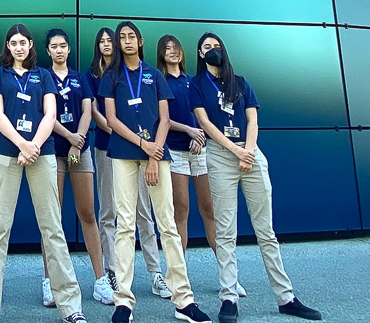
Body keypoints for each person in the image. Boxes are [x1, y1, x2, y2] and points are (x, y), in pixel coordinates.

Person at [190, 34, 321, 323]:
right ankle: (229, 298)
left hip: (251, 155)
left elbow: (252, 119)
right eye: (207, 48)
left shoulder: (241, 81)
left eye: (216, 47)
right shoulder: (197, 85)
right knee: (225, 232)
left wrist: (248, 151)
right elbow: (205, 123)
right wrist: (235, 150)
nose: (213, 51)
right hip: (222, 156)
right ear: (200, 54)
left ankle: (286, 297)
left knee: (267, 232)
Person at [99, 21, 209, 323]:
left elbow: (164, 118)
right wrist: (141, 144)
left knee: (168, 225)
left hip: (156, 156)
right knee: (125, 225)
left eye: (131, 36)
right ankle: (123, 301)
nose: (126, 41)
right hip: (123, 155)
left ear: (141, 40)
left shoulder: (154, 74)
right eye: (122, 38)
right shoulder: (111, 76)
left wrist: (152, 154)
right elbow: (110, 120)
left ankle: (184, 300)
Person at [0, 25, 86, 323]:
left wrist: (34, 145)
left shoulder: (43, 75)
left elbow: (50, 114)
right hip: (7, 154)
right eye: (13, 43)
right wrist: (22, 144)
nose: (19, 47)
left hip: (42, 154)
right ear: (8, 47)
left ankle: (71, 308)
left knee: (53, 228)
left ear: (31, 45)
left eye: (23, 42)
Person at [154, 35, 245, 300]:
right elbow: (163, 119)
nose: (172, 52)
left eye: (176, 49)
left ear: (184, 53)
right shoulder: (161, 82)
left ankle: (229, 277)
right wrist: (191, 131)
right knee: (180, 210)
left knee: (210, 210)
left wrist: (200, 135)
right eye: (167, 49)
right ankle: (178, 278)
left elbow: (205, 115)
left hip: (201, 150)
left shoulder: (193, 81)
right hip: (176, 151)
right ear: (161, 54)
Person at [86, 28, 165, 300]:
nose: (108, 45)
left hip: (142, 149)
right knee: (110, 212)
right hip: (110, 149)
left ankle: (155, 272)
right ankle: (113, 271)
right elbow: (98, 113)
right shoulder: (96, 75)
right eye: (103, 41)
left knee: (144, 210)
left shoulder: (144, 73)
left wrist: (136, 140)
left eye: (112, 40)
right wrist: (121, 135)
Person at [43, 29, 112, 307]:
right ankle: (50, 281)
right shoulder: (42, 77)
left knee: (88, 214)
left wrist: (78, 141)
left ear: (69, 50)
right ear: (47, 51)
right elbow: (44, 114)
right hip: (53, 151)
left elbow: (86, 111)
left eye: (63, 46)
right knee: (52, 218)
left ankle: (99, 280)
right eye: (54, 47)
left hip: (79, 152)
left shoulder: (80, 78)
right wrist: (68, 138)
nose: (59, 50)